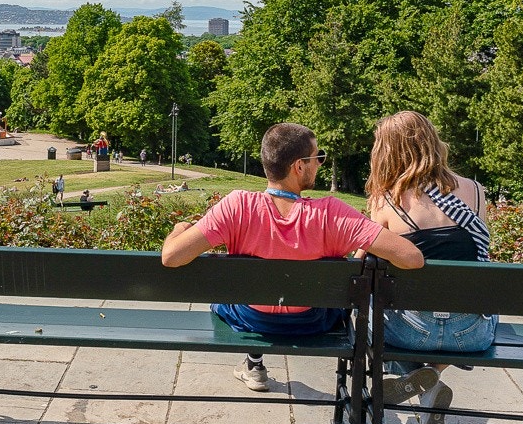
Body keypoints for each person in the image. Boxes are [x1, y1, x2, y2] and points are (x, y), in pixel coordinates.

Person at [162, 122, 430, 399]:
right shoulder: (331, 213)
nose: (321, 164)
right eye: (318, 157)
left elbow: (171, 257)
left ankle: (254, 362)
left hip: (251, 319)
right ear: (299, 166)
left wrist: (179, 229)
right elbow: (412, 257)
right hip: (312, 322)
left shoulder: (237, 206)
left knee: (228, 301)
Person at [364, 110, 497, 424]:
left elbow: (368, 261)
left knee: (375, 310)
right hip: (470, 335)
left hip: (411, 331)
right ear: (433, 142)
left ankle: (422, 377)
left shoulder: (386, 202)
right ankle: (431, 378)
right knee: (482, 309)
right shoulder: (477, 192)